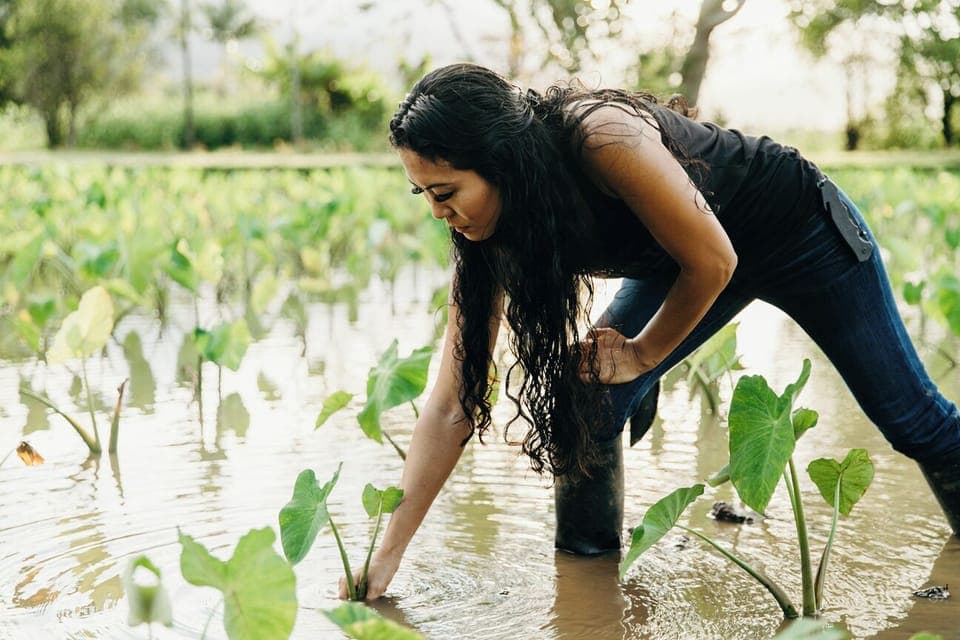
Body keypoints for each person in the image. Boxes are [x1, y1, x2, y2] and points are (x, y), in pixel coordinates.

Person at [339, 62, 960, 600]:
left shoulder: (600, 136)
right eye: (421, 192)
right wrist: (387, 553)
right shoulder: (488, 235)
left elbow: (714, 260)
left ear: (502, 163)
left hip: (800, 234)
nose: (436, 212)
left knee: (911, 420)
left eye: (445, 192)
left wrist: (641, 355)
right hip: (683, 260)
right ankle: (588, 588)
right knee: (582, 395)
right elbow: (452, 401)